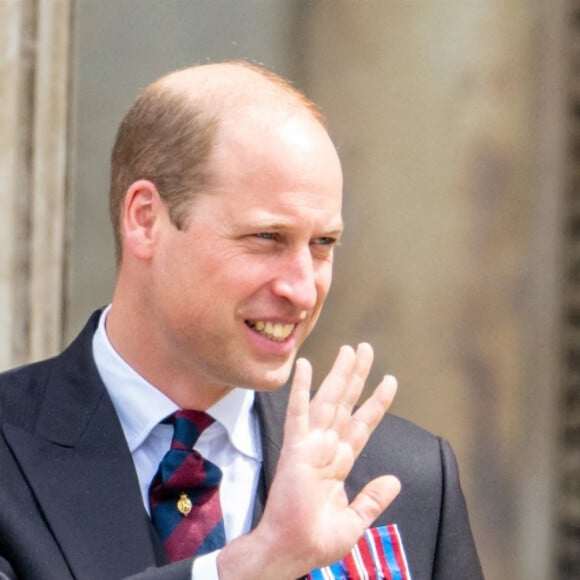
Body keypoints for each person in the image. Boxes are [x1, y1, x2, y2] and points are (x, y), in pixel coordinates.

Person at [0, 61, 483, 579]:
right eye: (266, 238)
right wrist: (250, 567)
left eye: (323, 244)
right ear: (145, 220)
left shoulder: (405, 477)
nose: (301, 289)